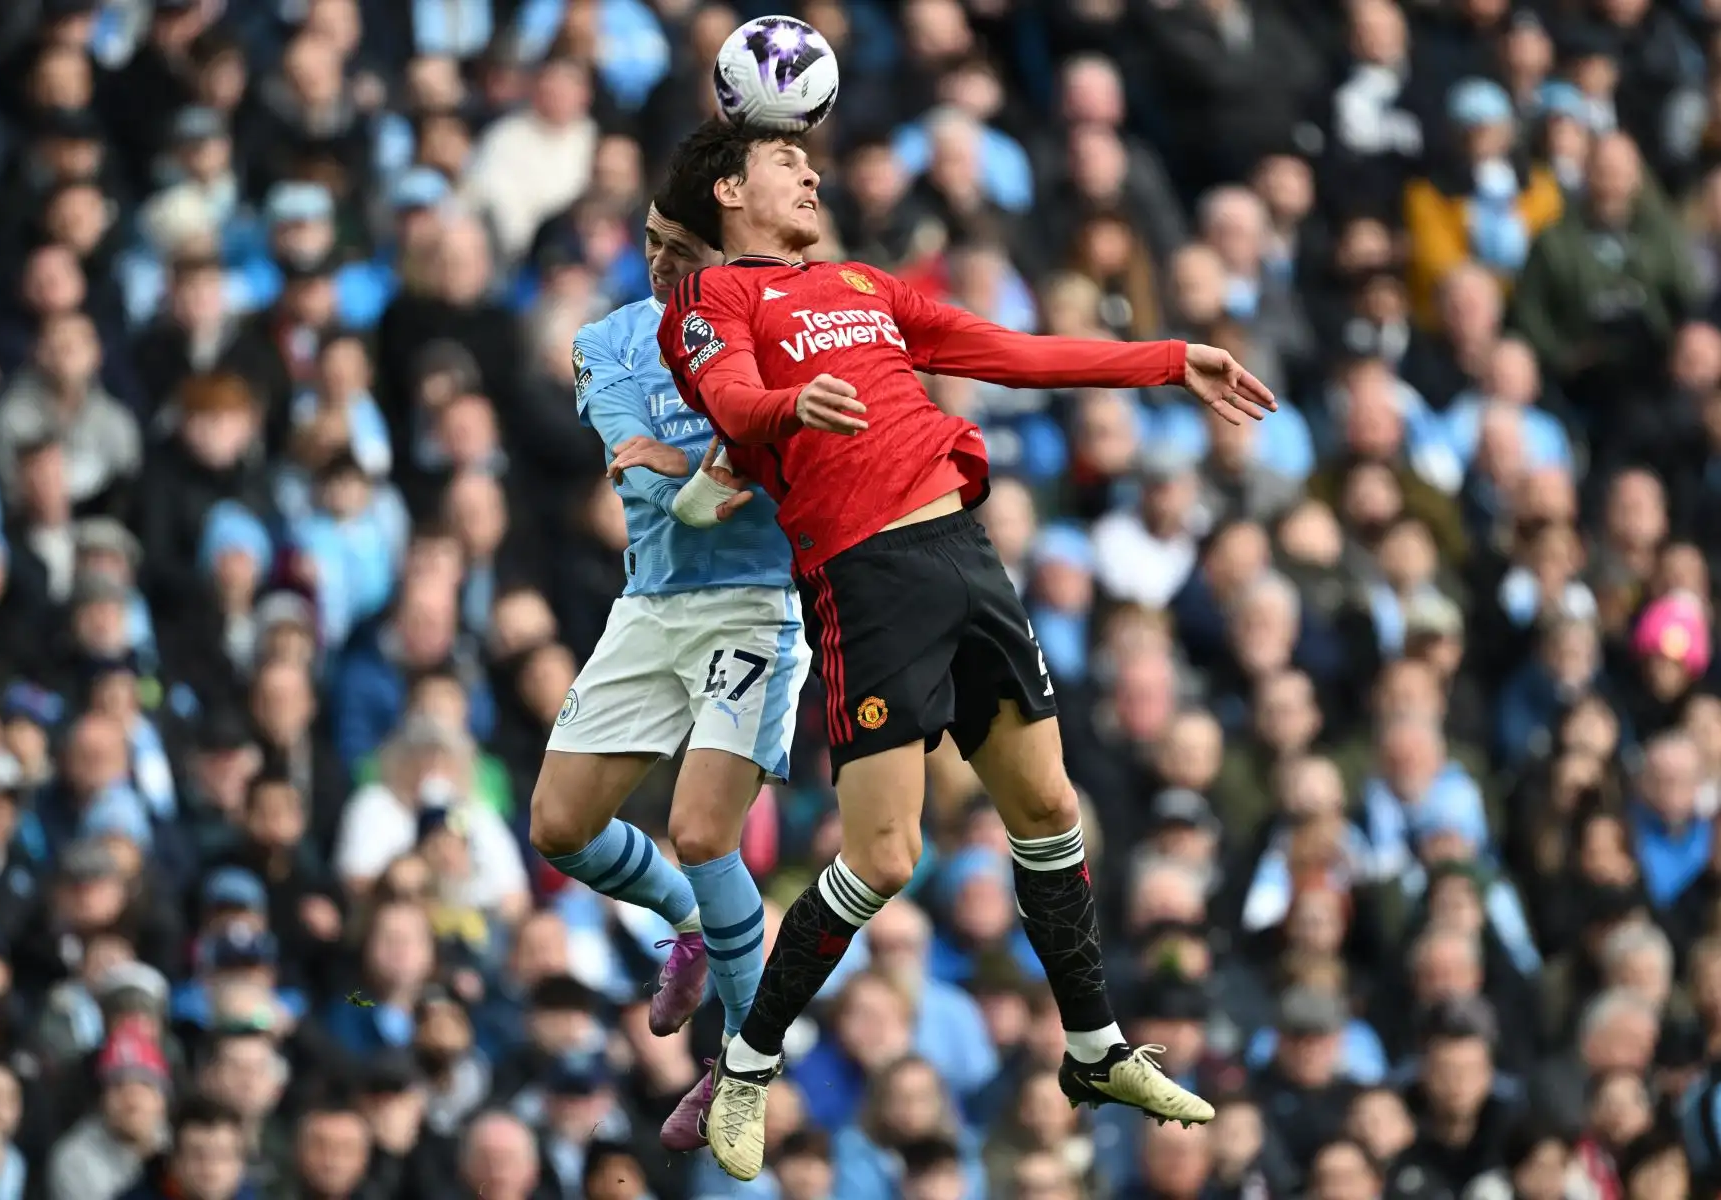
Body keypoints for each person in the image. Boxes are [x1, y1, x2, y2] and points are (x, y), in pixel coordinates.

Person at [622, 117, 1274, 1181]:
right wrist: (790, 405)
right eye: (790, 162)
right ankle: (745, 1065)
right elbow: (733, 401)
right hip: (866, 582)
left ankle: (1093, 1049)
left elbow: (1011, 353)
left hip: (964, 553)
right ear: (731, 190)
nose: (812, 174)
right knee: (884, 858)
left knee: (1052, 811)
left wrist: (1164, 362)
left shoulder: (867, 288)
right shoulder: (712, 301)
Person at [526, 201, 812, 1149]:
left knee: (701, 829)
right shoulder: (602, 341)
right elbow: (636, 470)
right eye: (648, 241)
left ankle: (741, 1065)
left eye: (679, 246)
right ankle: (689, 920)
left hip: (756, 604)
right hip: (648, 606)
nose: (657, 260)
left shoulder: (774, 332)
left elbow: (797, 457)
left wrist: (714, 468)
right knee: (558, 827)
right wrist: (715, 468)